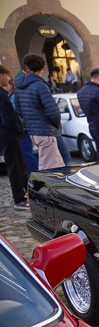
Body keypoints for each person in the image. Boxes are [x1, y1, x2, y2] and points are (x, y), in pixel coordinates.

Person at [14, 53, 64, 170]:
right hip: (45, 130)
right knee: (47, 167)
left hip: (33, 130)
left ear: (26, 67)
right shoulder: (40, 85)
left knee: (57, 164)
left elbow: (19, 109)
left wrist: (30, 120)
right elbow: (53, 111)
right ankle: (39, 187)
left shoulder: (19, 86)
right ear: (43, 68)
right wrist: (56, 126)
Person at [0, 65, 28, 210]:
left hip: (8, 135)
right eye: (7, 75)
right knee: (15, 167)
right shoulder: (1, 97)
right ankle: (20, 200)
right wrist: (18, 129)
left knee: (20, 166)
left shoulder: (3, 95)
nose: (9, 78)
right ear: (1, 76)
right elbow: (8, 119)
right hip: (8, 136)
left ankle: (27, 195)